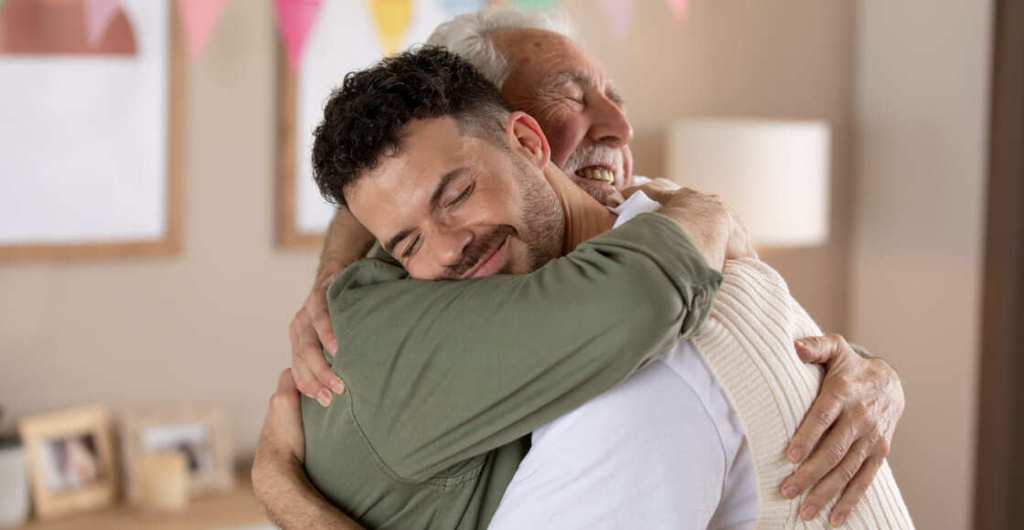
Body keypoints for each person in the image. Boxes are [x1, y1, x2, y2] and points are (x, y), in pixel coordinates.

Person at [261, 8, 905, 527]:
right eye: (568, 98)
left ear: (525, 144)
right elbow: (643, 293)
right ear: (524, 128)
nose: (622, 127)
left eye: (457, 195)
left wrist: (869, 369)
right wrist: (285, 497)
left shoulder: (653, 231)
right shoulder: (627, 339)